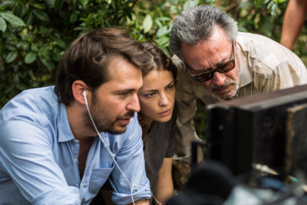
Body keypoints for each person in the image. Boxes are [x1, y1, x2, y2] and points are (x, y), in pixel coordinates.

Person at [0, 27, 152, 204]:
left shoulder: (122, 120)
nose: (136, 106)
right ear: (81, 92)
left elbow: (134, 198)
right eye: (122, 93)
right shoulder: (22, 124)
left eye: (136, 92)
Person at [169, 5, 307, 164]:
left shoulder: (269, 67)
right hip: (236, 129)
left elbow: (287, 139)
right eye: (203, 75)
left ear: (235, 45)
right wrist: (201, 167)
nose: (219, 81)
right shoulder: (181, 69)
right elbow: (182, 128)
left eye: (225, 66)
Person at [93, 42, 177, 205]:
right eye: (150, 94)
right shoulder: (117, 126)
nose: (165, 101)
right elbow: (110, 196)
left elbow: (164, 175)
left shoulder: (167, 115)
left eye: (169, 87)